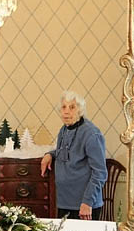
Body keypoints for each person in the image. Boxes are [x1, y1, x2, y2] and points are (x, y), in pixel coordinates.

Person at [40, 90, 107, 220]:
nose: (66, 111)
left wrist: (87, 202)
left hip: (84, 206)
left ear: (80, 110)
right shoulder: (64, 129)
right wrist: (50, 155)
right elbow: (65, 152)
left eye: (72, 107)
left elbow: (100, 173)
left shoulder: (92, 134)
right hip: (64, 203)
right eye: (64, 107)